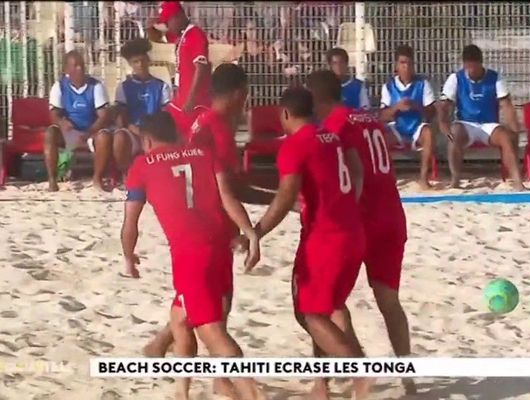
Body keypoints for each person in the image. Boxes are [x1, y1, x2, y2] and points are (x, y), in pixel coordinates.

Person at [121, 111, 264, 400]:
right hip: (220, 245)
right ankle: (181, 391)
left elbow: (130, 222)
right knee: (180, 318)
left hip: (189, 253)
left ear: (147, 141)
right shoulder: (203, 152)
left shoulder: (141, 165)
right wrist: (249, 231)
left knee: (211, 331)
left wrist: (128, 255)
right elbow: (227, 197)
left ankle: (252, 393)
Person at [251, 87, 371, 399]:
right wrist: (343, 204)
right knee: (326, 308)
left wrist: (257, 231)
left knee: (310, 314)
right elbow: (357, 172)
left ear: (285, 114)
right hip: (352, 232)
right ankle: (323, 383)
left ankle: (359, 373)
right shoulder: (334, 136)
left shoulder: (294, 146)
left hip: (325, 239)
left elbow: (285, 197)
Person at [307, 69, 417, 397]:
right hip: (392, 216)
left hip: (361, 218)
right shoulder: (369, 119)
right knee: (388, 301)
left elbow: (343, 175)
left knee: (325, 302)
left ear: (315, 100)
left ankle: (335, 377)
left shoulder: (334, 126)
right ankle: (409, 380)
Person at [142, 63, 248, 400]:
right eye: (245, 94)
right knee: (209, 313)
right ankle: (227, 382)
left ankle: (173, 360)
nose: (247, 100)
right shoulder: (209, 129)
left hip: (214, 227)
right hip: (209, 230)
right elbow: (212, 184)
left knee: (204, 307)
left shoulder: (214, 124)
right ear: (236, 94)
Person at [437, 44, 524, 190]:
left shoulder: (495, 78)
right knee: (454, 134)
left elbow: (506, 105)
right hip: (465, 124)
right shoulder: (455, 78)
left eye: (474, 67)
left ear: (481, 63)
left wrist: (514, 128)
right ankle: (455, 180)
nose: (471, 70)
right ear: (464, 65)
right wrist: (442, 123)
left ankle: (518, 181)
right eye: (468, 67)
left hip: (489, 124)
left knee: (506, 138)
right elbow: (444, 105)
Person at [45, 50, 112, 192]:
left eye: (81, 65)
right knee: (50, 133)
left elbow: (103, 116)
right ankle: (52, 179)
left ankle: (97, 178)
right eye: (75, 66)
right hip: (69, 131)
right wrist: (62, 123)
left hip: (91, 131)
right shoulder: (59, 86)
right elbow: (54, 114)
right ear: (66, 70)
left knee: (105, 136)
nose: (80, 68)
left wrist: (89, 132)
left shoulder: (96, 86)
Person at [379, 44, 436, 190]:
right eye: (403, 63)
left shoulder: (423, 84)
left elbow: (431, 112)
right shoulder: (389, 86)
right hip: (397, 128)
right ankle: (386, 179)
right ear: (396, 65)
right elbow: (382, 116)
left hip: (417, 127)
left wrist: (416, 106)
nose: (406, 67)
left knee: (428, 132)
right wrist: (396, 108)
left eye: (409, 63)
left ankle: (423, 178)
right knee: (381, 138)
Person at [114, 38, 172, 175]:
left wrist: (151, 132)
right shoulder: (123, 87)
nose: (140, 65)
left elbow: (165, 115)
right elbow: (122, 117)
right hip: (133, 131)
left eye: (142, 60)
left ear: (148, 60)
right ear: (130, 64)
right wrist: (132, 128)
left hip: (155, 132)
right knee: (120, 137)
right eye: (135, 62)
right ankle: (125, 174)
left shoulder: (161, 86)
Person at [157, 1, 211, 139]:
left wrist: (192, 98)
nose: (167, 27)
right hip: (182, 101)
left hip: (194, 102)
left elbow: (201, 68)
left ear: (177, 16)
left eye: (168, 22)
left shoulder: (195, 35)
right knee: (164, 130)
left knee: (191, 141)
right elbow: (153, 32)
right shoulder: (184, 35)